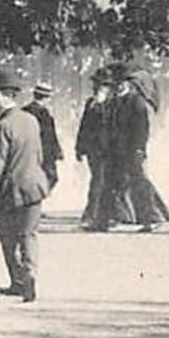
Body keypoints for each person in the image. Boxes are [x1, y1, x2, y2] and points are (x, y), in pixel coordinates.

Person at [0, 69, 51, 303]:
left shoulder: (3, 126)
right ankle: (29, 274)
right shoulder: (31, 120)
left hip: (10, 192)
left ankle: (18, 280)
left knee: (8, 239)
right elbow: (39, 155)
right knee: (29, 235)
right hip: (35, 187)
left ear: (1, 96)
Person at [104, 64, 169, 231]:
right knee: (113, 182)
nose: (118, 86)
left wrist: (139, 150)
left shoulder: (137, 102)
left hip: (133, 150)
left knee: (139, 183)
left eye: (122, 83)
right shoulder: (116, 102)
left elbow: (142, 130)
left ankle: (152, 217)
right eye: (116, 83)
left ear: (129, 84)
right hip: (117, 150)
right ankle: (110, 218)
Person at [75, 68, 116, 231]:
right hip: (93, 149)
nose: (97, 88)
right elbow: (84, 126)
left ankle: (98, 216)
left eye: (101, 85)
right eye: (97, 84)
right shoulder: (90, 102)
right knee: (97, 181)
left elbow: (113, 126)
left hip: (108, 149)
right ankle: (95, 215)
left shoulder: (112, 103)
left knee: (101, 182)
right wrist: (79, 147)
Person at [24, 82, 63, 191]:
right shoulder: (43, 113)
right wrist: (57, 151)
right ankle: (37, 198)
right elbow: (49, 135)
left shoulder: (24, 110)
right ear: (46, 98)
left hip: (28, 151)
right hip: (45, 152)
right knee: (51, 177)